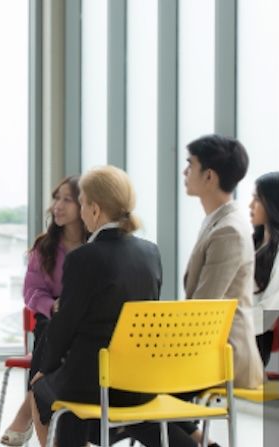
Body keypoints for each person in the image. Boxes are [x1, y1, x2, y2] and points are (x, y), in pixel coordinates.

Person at [30, 165, 194, 447]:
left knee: (41, 387)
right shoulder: (150, 253)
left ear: (94, 209)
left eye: (81, 204)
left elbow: (65, 324)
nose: (81, 212)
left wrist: (45, 368)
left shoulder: (84, 258)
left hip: (93, 383)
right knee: (123, 409)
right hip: (138, 380)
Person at [0, 176, 87, 446]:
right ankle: (45, 435)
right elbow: (32, 292)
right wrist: (53, 306)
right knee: (51, 331)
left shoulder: (97, 245)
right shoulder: (44, 247)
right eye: (56, 198)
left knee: (57, 343)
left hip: (86, 324)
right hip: (51, 320)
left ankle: (27, 411)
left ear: (84, 204)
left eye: (66, 199)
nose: (57, 206)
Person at [182, 134, 264, 388]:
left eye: (190, 165)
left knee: (131, 393)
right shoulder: (218, 222)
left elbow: (204, 306)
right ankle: (191, 430)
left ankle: (191, 431)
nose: (185, 172)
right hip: (210, 351)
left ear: (209, 176)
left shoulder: (227, 230)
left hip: (225, 355)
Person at [249, 171, 279, 365]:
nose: (250, 205)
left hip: (256, 342)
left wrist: (227, 326)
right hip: (240, 334)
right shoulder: (252, 244)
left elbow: (270, 313)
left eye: (257, 199)